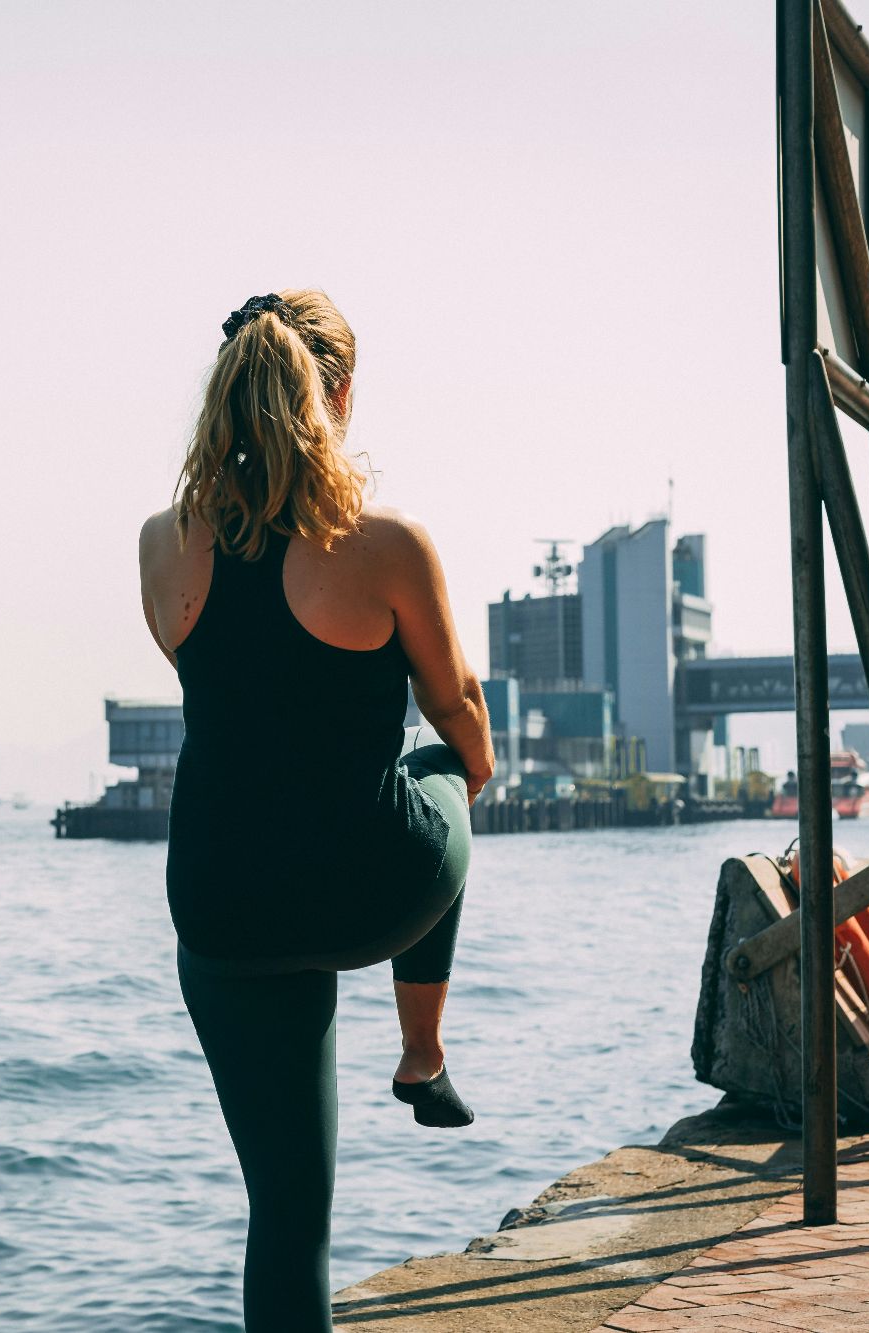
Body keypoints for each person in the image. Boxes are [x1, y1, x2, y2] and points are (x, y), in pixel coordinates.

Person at [136, 289, 495, 1331]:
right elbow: (454, 704)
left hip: (220, 908)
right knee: (440, 767)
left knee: (287, 1214)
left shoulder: (163, 543)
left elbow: (226, 687)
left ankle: (419, 1054)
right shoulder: (382, 544)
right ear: (335, 393)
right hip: (367, 892)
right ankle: (421, 1048)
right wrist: (470, 773)